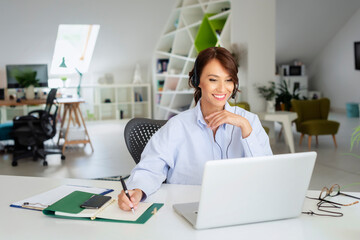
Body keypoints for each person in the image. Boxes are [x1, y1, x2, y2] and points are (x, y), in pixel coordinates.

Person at [118, 47, 273, 211]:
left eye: (228, 80)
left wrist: (245, 127)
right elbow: (150, 168)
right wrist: (137, 191)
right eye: (213, 80)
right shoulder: (177, 126)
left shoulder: (249, 121)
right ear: (198, 81)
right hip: (186, 210)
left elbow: (267, 175)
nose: (222, 88)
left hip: (238, 208)